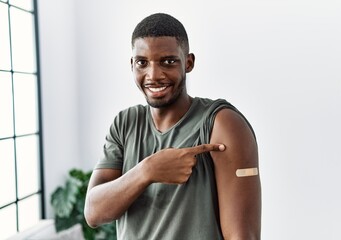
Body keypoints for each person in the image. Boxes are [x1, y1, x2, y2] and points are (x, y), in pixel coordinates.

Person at [84, 13, 261, 240]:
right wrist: (147, 171)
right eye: (142, 63)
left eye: (168, 61)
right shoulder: (125, 124)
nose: (154, 75)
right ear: (132, 65)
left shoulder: (221, 123)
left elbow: (242, 236)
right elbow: (93, 212)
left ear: (188, 62)